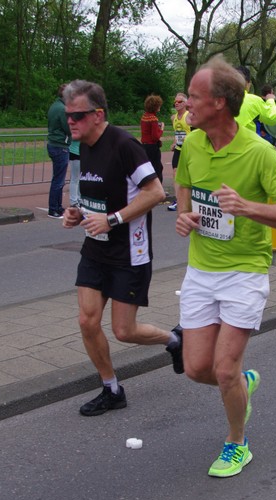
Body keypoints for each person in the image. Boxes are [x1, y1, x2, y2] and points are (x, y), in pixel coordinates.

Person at [174, 56, 276, 477]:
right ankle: (243, 383)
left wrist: (247, 207)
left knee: (224, 368)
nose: (186, 104)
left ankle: (237, 443)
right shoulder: (192, 144)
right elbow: (183, 182)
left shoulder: (259, 152)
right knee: (196, 368)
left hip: (245, 271)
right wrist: (185, 213)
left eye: (193, 97)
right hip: (201, 270)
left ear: (219, 102)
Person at [60, 80, 184, 416]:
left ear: (98, 114)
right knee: (87, 321)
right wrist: (76, 212)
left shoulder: (124, 145)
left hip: (130, 252)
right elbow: (93, 195)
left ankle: (175, 341)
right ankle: (111, 388)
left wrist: (112, 220)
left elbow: (155, 193)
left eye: (78, 115)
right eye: (68, 115)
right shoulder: (82, 146)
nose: (70, 121)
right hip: (95, 249)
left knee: (124, 331)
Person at [46, 83, 71, 218]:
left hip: (54, 143)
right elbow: (68, 128)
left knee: (58, 178)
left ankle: (57, 206)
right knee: (59, 180)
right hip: (60, 145)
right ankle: (53, 208)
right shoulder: (62, 109)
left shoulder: (55, 106)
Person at [234, 66, 276, 133]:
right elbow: (273, 118)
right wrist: (270, 100)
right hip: (244, 139)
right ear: (248, 83)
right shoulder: (253, 100)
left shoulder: (219, 99)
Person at [140, 94, 166, 203]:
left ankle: (147, 189)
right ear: (155, 106)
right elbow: (155, 136)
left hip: (144, 146)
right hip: (152, 147)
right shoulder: (153, 118)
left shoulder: (144, 116)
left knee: (147, 169)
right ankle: (158, 191)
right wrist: (162, 128)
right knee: (157, 168)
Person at [170, 92, 192, 211]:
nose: (176, 104)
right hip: (179, 149)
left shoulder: (189, 116)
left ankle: (190, 198)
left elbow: (196, 133)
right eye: (175, 102)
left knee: (189, 175)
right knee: (175, 172)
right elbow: (177, 133)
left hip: (189, 150)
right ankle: (178, 200)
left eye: (179, 102)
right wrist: (174, 142)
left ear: (185, 103)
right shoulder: (174, 118)